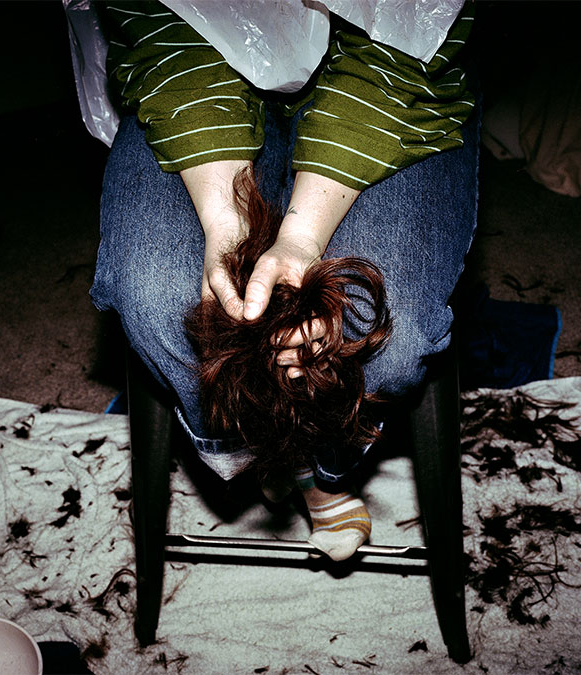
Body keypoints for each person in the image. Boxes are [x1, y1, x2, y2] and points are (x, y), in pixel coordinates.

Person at [90, 1, 479, 560]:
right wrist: (226, 222)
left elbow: (402, 34)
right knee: (162, 301)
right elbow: (164, 26)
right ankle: (268, 449)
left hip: (393, 81)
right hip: (190, 63)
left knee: (376, 332)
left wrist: (302, 237)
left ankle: (318, 468)